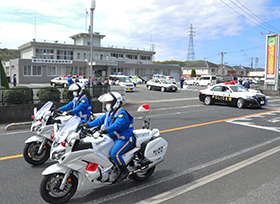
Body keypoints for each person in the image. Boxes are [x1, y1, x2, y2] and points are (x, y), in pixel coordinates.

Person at [85, 92, 134, 183]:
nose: (107, 104)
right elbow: (100, 120)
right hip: (112, 137)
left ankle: (123, 170)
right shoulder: (110, 112)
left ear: (116, 102)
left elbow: (116, 125)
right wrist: (87, 125)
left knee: (114, 153)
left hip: (123, 138)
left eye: (109, 102)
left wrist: (105, 130)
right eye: (107, 103)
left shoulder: (121, 114)